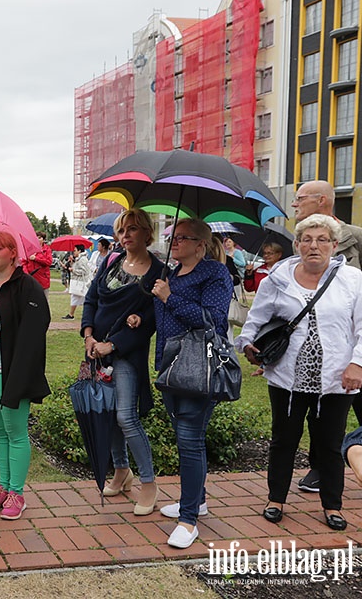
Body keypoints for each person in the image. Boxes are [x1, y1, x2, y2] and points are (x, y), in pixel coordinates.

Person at [236, 214, 362, 532]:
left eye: (322, 240)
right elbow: (257, 316)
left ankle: (332, 505)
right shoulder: (279, 277)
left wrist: (358, 363)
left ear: (335, 246)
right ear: (297, 244)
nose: (314, 246)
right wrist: (247, 343)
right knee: (284, 439)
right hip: (287, 376)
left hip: (336, 378)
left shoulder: (352, 280)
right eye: (306, 239)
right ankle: (275, 499)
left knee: (330, 443)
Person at [151, 218, 232, 549]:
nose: (176, 242)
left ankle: (188, 520)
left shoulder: (215, 274)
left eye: (184, 238)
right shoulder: (171, 273)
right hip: (170, 365)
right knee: (184, 433)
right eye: (174, 236)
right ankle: (197, 501)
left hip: (198, 366)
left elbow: (213, 320)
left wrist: (170, 297)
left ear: (201, 245)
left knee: (190, 439)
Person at [81, 209, 163, 516]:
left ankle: (149, 483)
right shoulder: (111, 261)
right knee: (105, 412)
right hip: (95, 351)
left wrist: (114, 342)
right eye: (121, 230)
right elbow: (91, 300)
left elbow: (152, 321)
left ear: (146, 233)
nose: (125, 235)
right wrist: (89, 336)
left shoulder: (158, 271)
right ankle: (120, 471)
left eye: (132, 229)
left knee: (126, 417)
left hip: (126, 354)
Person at [290, 180, 362, 493]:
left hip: (355, 338)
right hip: (314, 343)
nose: (295, 205)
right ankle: (320, 466)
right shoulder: (297, 238)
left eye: (300, 199)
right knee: (318, 407)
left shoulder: (355, 236)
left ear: (322, 200)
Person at [0, 231, 50, 519]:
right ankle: (4, 488)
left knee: (16, 432)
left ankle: (17, 493)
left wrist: (19, 373)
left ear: (12, 253)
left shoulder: (27, 287)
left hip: (13, 370)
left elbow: (34, 332)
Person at [21, 230, 52, 299]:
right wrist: (26, 273)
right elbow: (23, 263)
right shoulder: (29, 249)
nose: (37, 239)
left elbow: (49, 262)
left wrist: (36, 258)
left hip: (43, 279)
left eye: (40, 237)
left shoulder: (47, 250)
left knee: (44, 300)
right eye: (36, 237)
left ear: (43, 240)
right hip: (31, 278)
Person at [64, 245, 91, 320]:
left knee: (83, 298)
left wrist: (73, 270)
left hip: (81, 282)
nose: (74, 252)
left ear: (79, 251)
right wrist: (72, 263)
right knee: (75, 297)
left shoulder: (83, 259)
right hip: (77, 281)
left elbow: (84, 271)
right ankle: (71, 314)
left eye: (75, 250)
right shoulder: (79, 259)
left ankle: (73, 314)